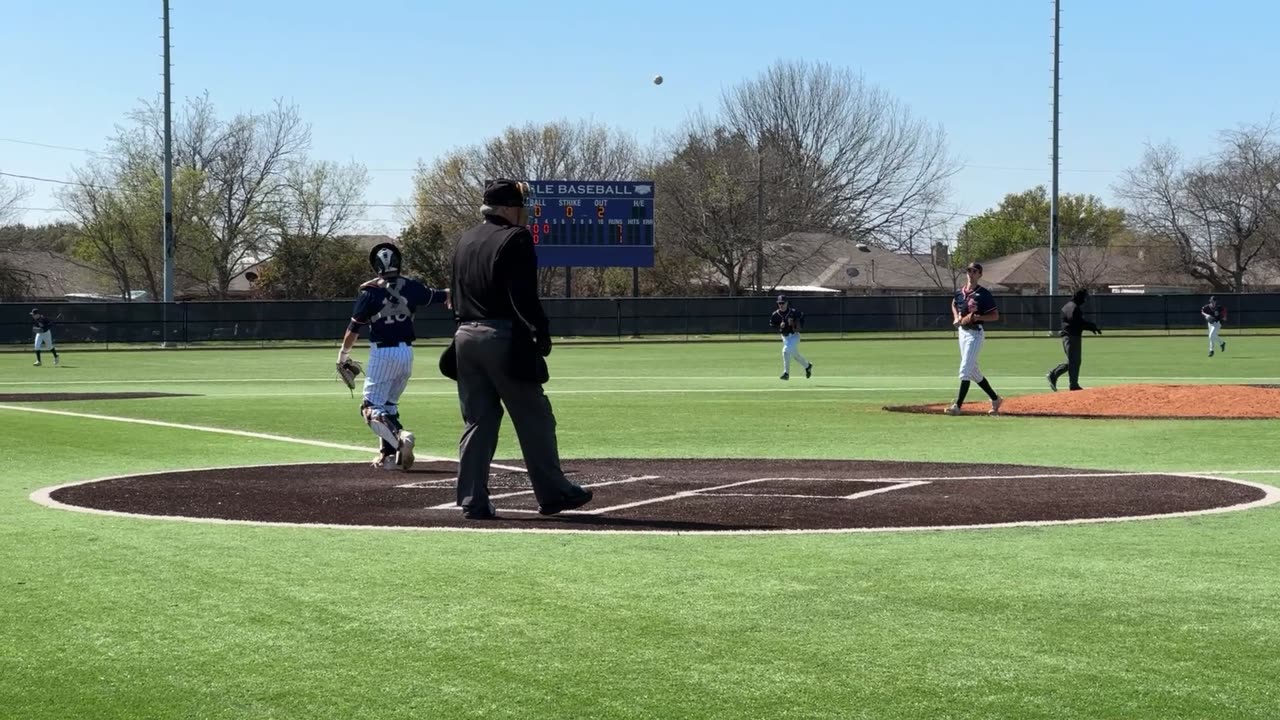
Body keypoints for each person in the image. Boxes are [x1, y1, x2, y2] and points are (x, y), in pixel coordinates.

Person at [446, 178, 593, 520]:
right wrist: (540, 331)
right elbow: (522, 294)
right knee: (534, 416)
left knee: (478, 420)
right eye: (522, 207)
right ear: (509, 208)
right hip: (502, 337)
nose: (525, 214)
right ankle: (554, 493)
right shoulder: (516, 238)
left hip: (464, 337)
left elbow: (453, 294)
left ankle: (472, 499)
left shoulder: (464, 240)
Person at [337, 242, 449, 471]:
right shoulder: (412, 287)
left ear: (375, 266)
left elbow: (353, 329)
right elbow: (443, 295)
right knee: (388, 405)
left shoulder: (369, 293)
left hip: (383, 353)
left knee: (369, 408)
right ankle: (389, 456)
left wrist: (342, 356)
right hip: (406, 354)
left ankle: (400, 437)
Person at [946, 262, 1003, 416]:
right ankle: (995, 398)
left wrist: (979, 316)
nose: (971, 273)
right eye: (969, 270)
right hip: (963, 333)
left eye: (974, 271)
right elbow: (954, 303)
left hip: (976, 333)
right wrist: (957, 316)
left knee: (965, 369)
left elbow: (995, 316)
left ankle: (957, 406)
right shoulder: (959, 292)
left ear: (980, 274)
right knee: (973, 371)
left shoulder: (983, 294)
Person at [1047, 288, 1102, 392]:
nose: (1085, 300)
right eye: (1084, 297)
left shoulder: (1070, 306)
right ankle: (1070, 383)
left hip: (1073, 336)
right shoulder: (1072, 307)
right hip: (1070, 336)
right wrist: (1090, 326)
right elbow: (1077, 322)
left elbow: (1078, 322)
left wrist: (1090, 326)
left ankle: (1059, 377)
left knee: (1074, 361)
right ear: (1079, 297)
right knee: (1074, 361)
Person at [769, 295, 813, 381]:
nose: (781, 305)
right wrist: (779, 326)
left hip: (794, 336)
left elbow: (802, 316)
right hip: (784, 337)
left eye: (783, 303)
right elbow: (771, 325)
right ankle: (808, 366)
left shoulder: (793, 312)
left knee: (785, 351)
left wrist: (798, 326)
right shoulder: (775, 314)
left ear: (787, 303)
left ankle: (786, 373)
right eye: (779, 303)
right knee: (795, 355)